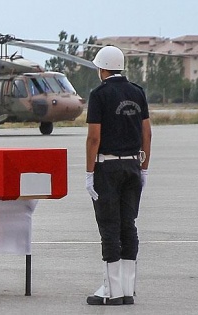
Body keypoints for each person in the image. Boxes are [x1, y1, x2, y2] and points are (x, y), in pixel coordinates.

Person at [85, 46, 152, 305]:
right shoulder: (138, 92)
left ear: (102, 69)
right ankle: (126, 289)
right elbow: (147, 133)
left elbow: (94, 138)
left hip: (108, 167)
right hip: (133, 165)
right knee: (128, 225)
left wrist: (89, 172)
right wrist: (144, 167)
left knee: (109, 226)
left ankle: (110, 291)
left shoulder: (99, 94)